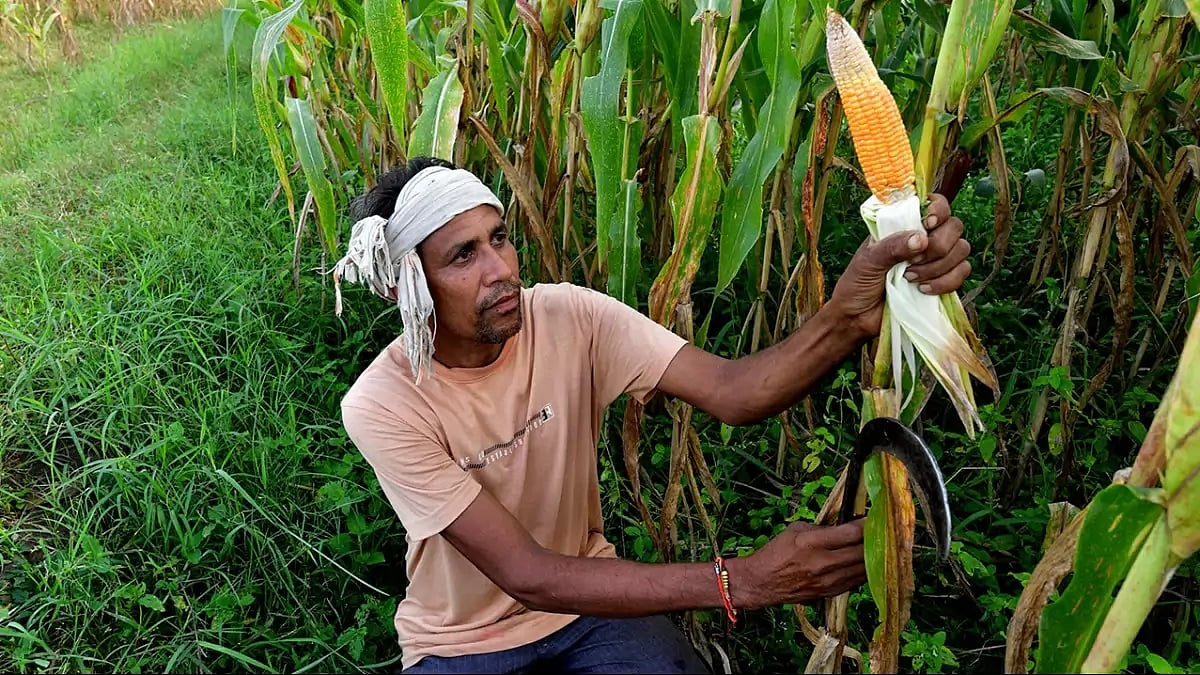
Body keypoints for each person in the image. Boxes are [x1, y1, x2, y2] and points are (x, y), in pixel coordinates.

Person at [333, 156, 972, 674]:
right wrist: (740, 581)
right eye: (463, 256)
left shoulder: (569, 318)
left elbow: (734, 390)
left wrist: (848, 316)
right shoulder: (384, 403)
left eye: (499, 238)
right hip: (459, 645)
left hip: (587, 608)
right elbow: (528, 576)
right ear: (406, 284)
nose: (501, 271)